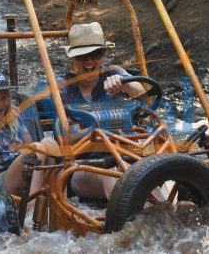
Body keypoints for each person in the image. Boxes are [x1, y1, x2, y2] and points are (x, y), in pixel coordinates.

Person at [55, 22, 145, 200]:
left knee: (158, 176)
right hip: (85, 166)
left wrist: (125, 83)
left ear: (103, 55)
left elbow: (142, 93)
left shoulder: (114, 73)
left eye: (95, 54)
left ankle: (170, 218)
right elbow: (66, 135)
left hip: (126, 157)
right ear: (72, 59)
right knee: (113, 179)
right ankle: (129, 224)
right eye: (82, 56)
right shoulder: (63, 86)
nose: (89, 61)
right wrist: (101, 130)